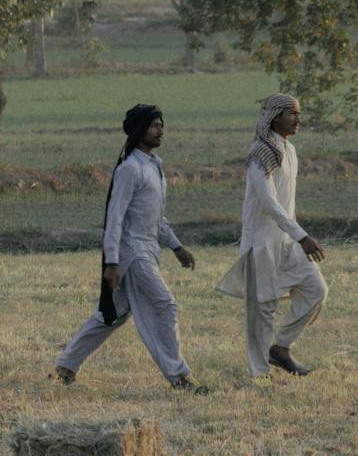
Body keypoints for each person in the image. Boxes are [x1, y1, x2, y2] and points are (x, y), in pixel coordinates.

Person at [53, 103, 207, 392]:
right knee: (165, 305)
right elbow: (114, 218)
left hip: (148, 249)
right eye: (154, 125)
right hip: (131, 252)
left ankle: (65, 366)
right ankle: (180, 377)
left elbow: (156, 219)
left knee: (113, 314)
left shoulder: (154, 167)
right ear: (139, 130)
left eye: (161, 124)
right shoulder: (129, 169)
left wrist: (177, 247)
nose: (160, 129)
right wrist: (111, 262)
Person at [215, 93, 328, 376]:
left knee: (316, 290)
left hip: (287, 241)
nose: (298, 119)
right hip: (262, 243)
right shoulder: (261, 152)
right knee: (262, 310)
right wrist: (303, 236)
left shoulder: (288, 150)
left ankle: (281, 348)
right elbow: (269, 203)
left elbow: (286, 204)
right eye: (292, 114)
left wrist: (295, 236)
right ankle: (260, 374)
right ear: (275, 117)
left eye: (299, 114)